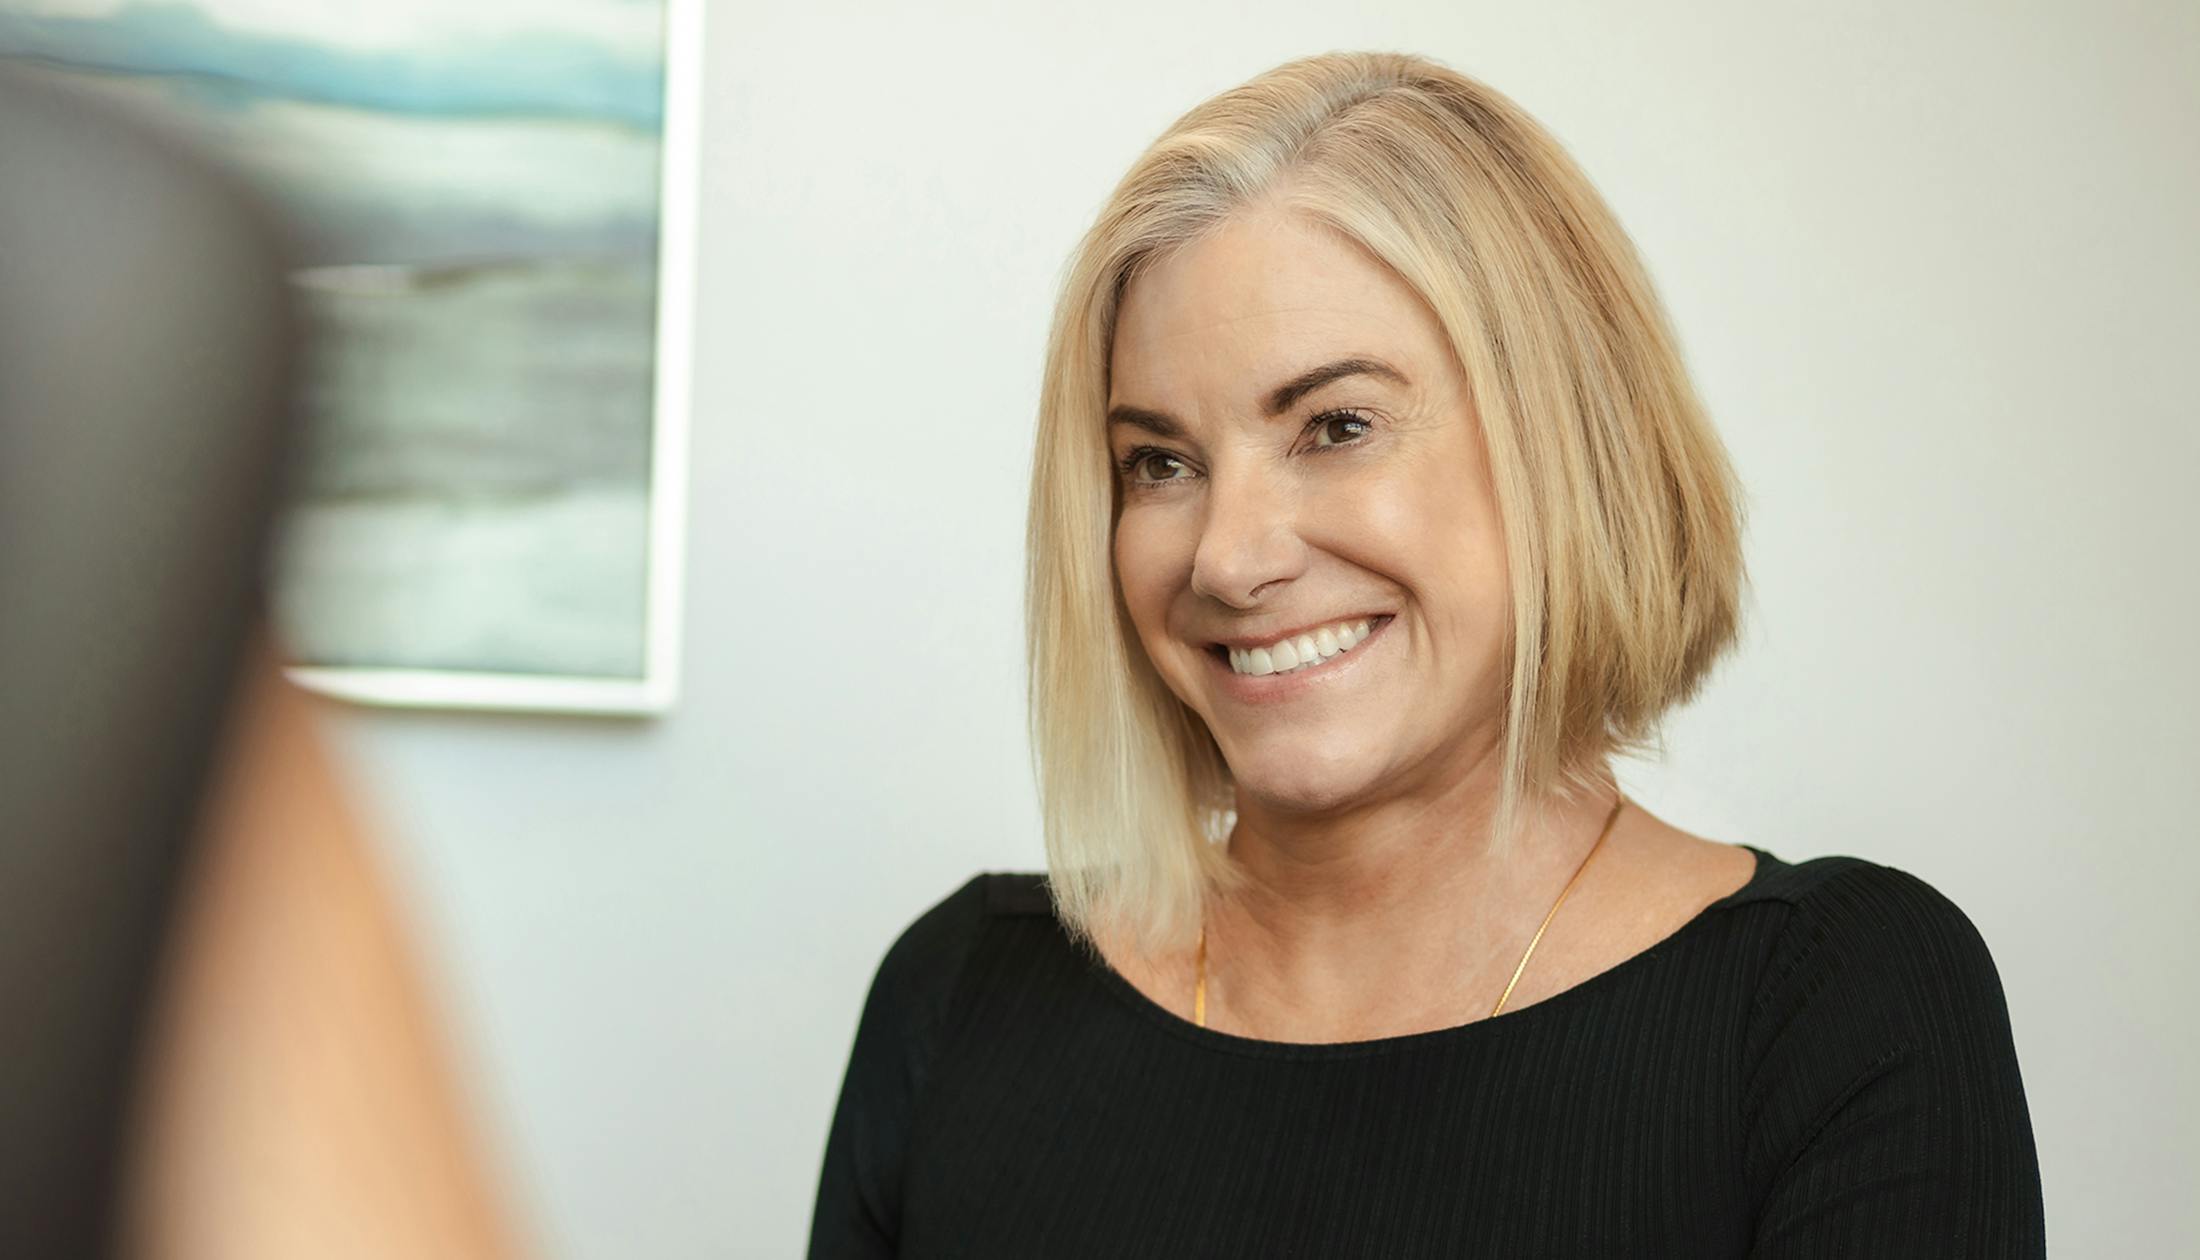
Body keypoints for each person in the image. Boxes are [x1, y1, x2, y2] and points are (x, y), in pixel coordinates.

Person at [806, 50, 2045, 1257]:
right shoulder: (960, 998)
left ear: (1562, 445)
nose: (1227, 559)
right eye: (1160, 462)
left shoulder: (1829, 1012)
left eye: (1335, 426)